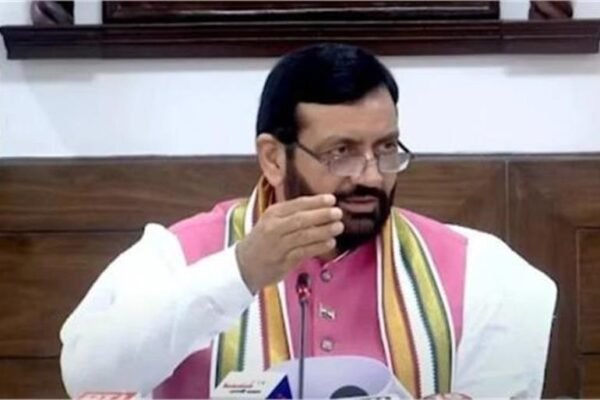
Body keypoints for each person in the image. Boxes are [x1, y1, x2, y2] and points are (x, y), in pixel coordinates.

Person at [60, 43, 556, 399]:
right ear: (274, 158)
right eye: (341, 153)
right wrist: (240, 271)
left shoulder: (479, 271)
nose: (370, 176)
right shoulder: (176, 257)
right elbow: (87, 374)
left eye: (386, 149)